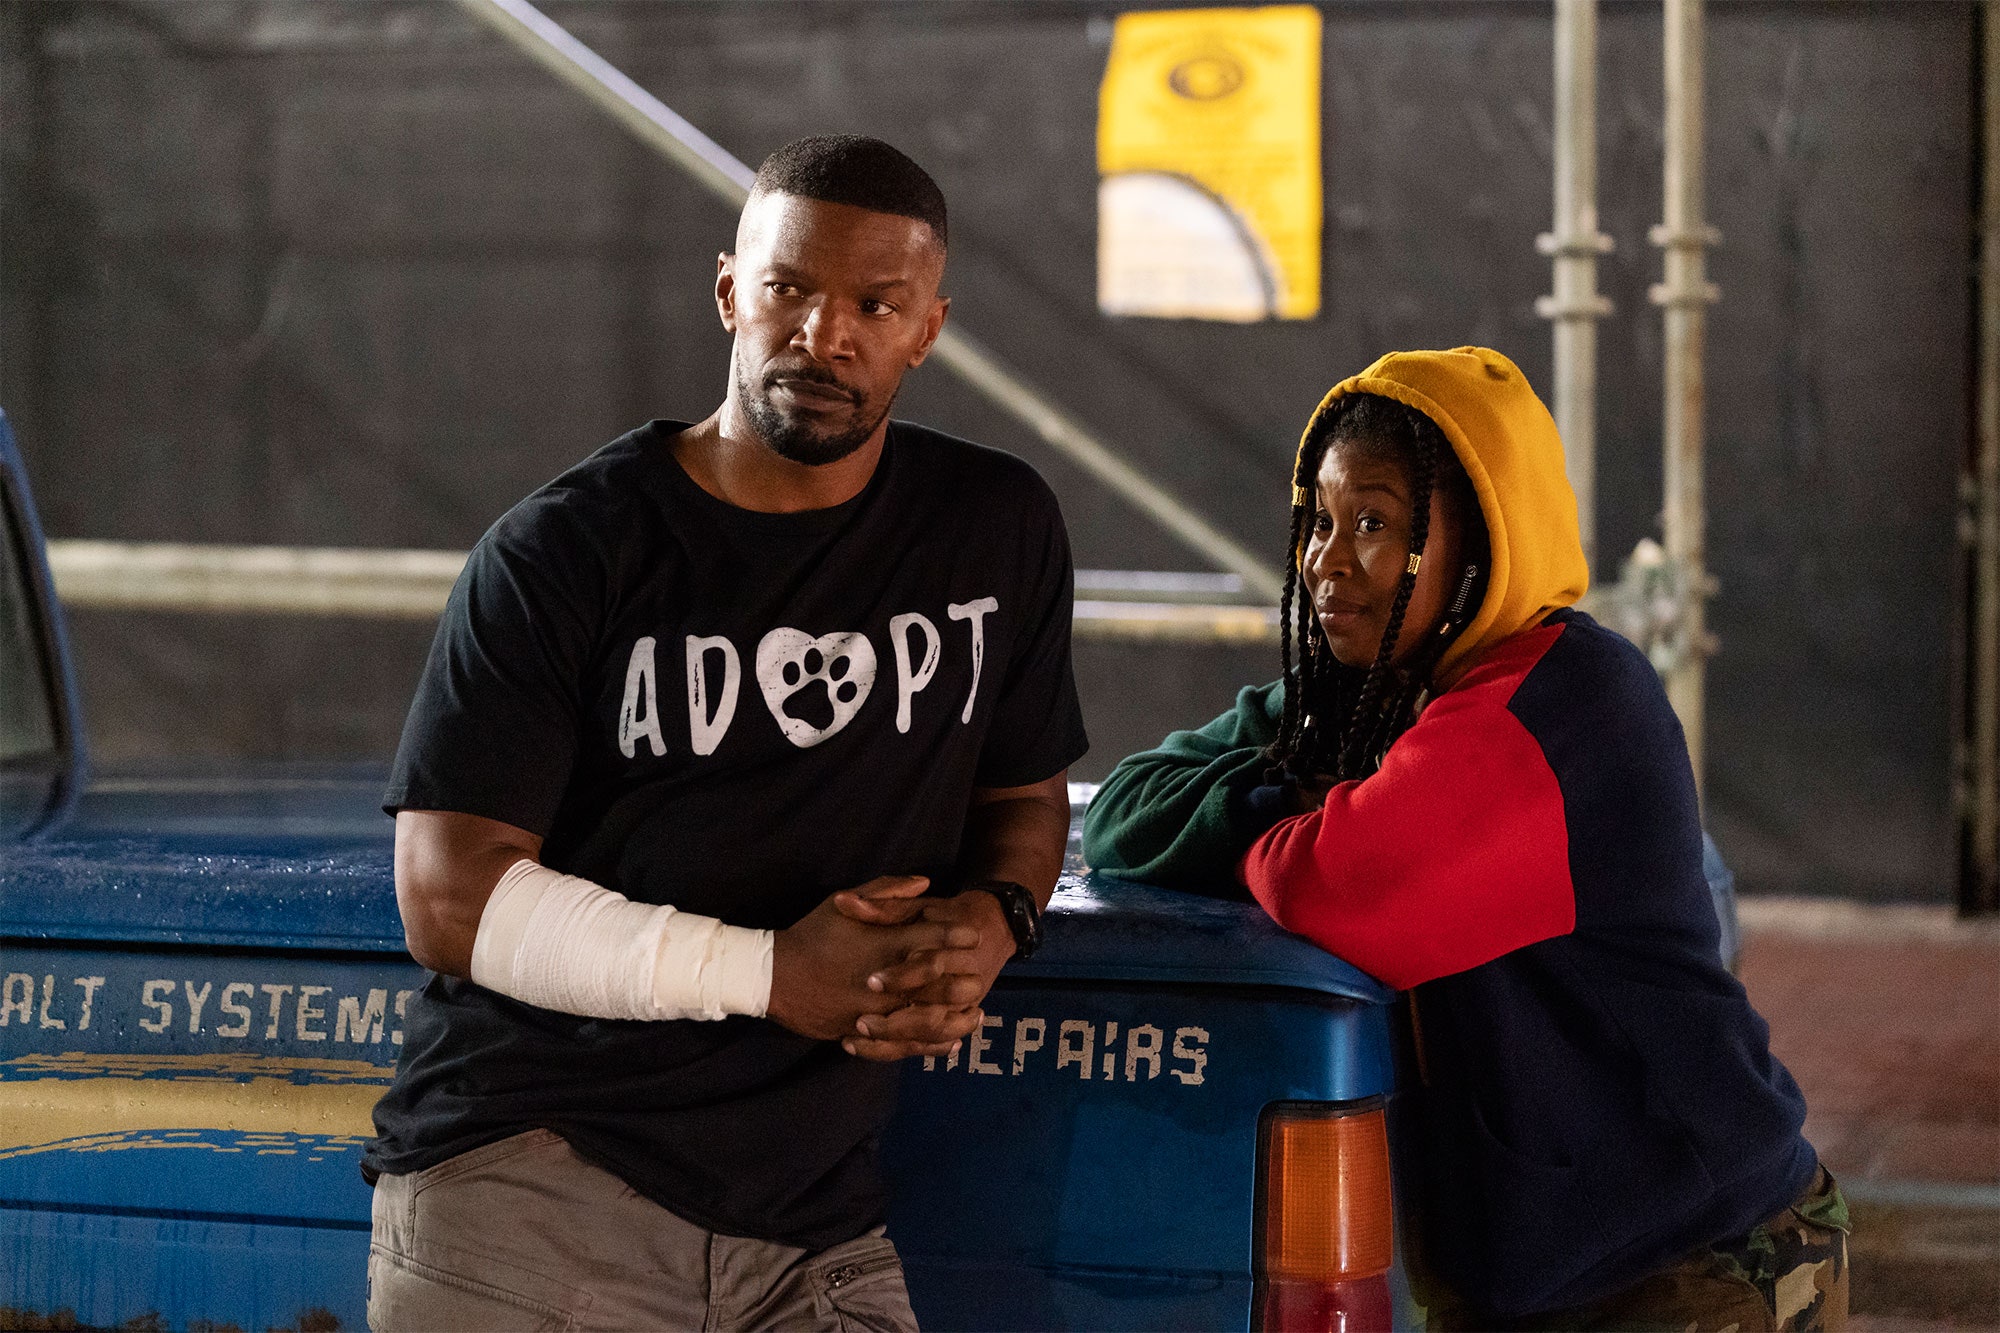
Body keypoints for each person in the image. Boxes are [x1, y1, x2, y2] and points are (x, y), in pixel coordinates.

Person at [363, 135, 1087, 1332]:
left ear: (927, 329)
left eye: (874, 305)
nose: (823, 334)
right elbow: (446, 899)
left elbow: (1020, 795)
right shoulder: (564, 549)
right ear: (727, 292)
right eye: (787, 287)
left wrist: (995, 917)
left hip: (811, 1219)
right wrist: (771, 973)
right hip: (539, 1180)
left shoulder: (992, 525)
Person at [1082, 347, 1847, 1330]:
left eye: (1373, 523)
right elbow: (1125, 809)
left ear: (1486, 534)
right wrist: (1293, 794)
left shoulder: (1565, 703)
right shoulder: (1363, 699)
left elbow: (1334, 882)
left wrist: (1290, 813)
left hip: (1693, 1261)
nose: (1326, 559)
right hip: (1539, 1270)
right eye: (1318, 520)